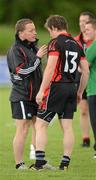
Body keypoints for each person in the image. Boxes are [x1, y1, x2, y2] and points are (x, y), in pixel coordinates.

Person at [29, 15, 89, 171]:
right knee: (67, 127)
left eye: (49, 30)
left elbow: (50, 68)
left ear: (54, 27)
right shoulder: (77, 44)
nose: (49, 34)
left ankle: (39, 163)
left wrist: (41, 90)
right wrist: (80, 91)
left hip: (57, 87)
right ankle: (65, 164)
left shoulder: (55, 43)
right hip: (72, 87)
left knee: (41, 124)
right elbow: (86, 71)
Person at [7, 18, 47, 169]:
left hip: (36, 96)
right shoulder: (15, 50)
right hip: (22, 96)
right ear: (21, 33)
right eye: (31, 30)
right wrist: (38, 59)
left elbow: (38, 71)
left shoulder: (33, 48)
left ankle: (39, 162)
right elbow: (22, 72)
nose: (34, 32)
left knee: (39, 127)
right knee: (23, 129)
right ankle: (19, 164)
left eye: (34, 29)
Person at [74, 11, 95, 147]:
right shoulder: (76, 40)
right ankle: (86, 139)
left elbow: (85, 64)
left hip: (91, 81)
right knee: (84, 110)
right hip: (82, 80)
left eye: (85, 21)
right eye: (80, 21)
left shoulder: (92, 42)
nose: (82, 24)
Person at [85, 19, 96, 158]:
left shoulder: (93, 46)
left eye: (88, 29)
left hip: (94, 89)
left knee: (95, 122)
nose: (84, 32)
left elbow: (84, 66)